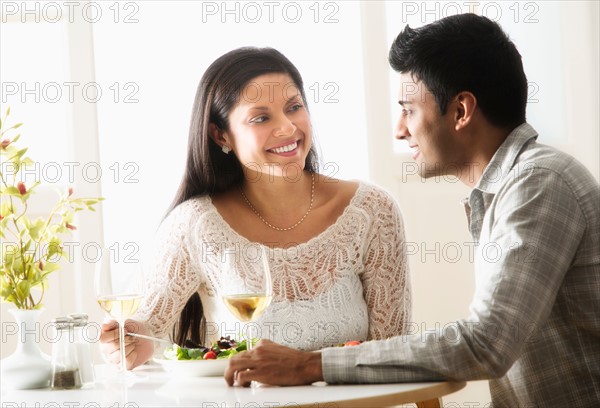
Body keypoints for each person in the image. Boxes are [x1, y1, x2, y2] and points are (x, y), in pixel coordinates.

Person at [224, 14, 600, 407]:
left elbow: (486, 343)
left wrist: (308, 366)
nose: (399, 130)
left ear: (461, 111)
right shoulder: (510, 187)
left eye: (409, 110)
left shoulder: (539, 182)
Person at [99, 47, 411, 369]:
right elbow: (145, 333)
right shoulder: (195, 225)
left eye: (294, 107)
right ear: (221, 134)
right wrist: (126, 343)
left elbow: (393, 351)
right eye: (261, 117)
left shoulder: (372, 211)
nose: (288, 128)